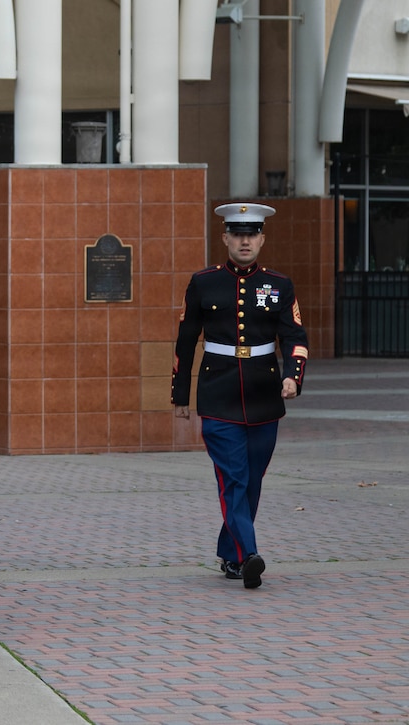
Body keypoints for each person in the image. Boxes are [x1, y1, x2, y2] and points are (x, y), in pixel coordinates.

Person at [172, 202, 308, 590]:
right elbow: (185, 341)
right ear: (225, 238)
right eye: (237, 234)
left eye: (252, 234)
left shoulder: (280, 284)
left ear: (262, 239)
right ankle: (249, 555)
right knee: (233, 477)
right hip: (218, 391)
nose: (244, 241)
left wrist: (292, 378)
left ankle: (230, 554)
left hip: (265, 393)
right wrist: (180, 394)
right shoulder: (204, 282)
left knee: (252, 481)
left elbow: (295, 337)